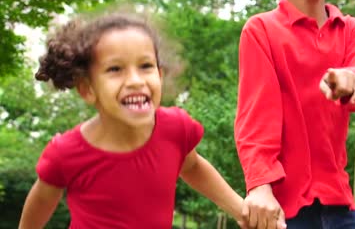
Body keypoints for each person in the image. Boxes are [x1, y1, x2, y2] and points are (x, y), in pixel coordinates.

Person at [18, 13, 247, 228]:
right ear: (88, 89)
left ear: (159, 74)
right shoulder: (66, 152)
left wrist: (241, 211)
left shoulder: (175, 129)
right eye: (115, 69)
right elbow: (42, 199)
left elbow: (193, 166)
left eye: (145, 66)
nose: (135, 80)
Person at [235, 0, 355, 228]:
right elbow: (256, 119)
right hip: (282, 211)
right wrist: (260, 184)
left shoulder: (352, 31)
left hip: (340, 207)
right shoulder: (261, 31)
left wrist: (352, 81)